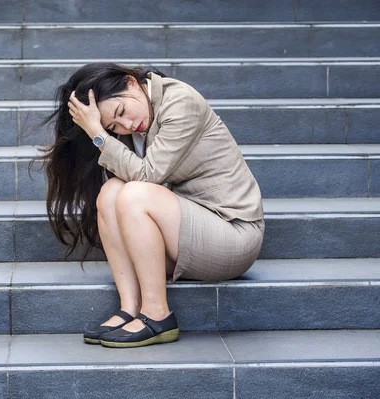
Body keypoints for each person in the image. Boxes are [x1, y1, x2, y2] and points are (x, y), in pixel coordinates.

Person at [38, 63, 264, 348]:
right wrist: (101, 131)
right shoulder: (136, 119)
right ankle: (129, 308)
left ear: (132, 83)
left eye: (121, 113)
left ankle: (157, 314)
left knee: (134, 194)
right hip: (186, 232)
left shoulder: (181, 102)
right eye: (113, 127)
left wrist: (98, 133)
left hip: (232, 234)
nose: (127, 126)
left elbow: (147, 176)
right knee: (110, 192)